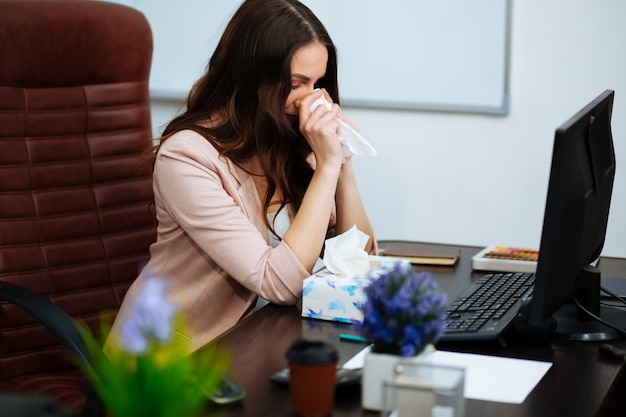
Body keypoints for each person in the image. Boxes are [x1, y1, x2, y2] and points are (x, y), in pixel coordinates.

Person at [112, 0, 376, 351]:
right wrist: (326, 167)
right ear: (252, 78)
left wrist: (341, 162)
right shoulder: (186, 156)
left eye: (317, 84)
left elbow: (363, 262)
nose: (309, 102)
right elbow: (280, 285)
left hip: (259, 344)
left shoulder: (289, 142)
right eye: (296, 84)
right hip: (177, 363)